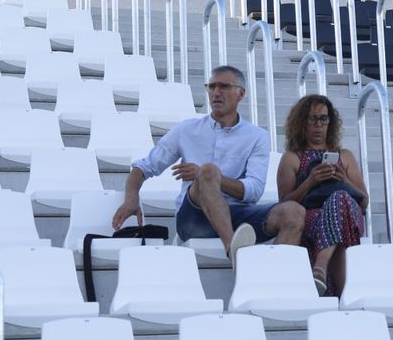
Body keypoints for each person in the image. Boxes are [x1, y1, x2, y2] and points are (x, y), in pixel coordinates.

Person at [112, 65, 304, 261]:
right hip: (195, 218)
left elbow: (254, 190)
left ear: (241, 93)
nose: (216, 93)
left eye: (223, 87)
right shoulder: (187, 130)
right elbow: (143, 167)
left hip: (239, 215)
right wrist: (131, 199)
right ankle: (234, 250)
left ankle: (276, 281)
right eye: (211, 87)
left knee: (294, 212)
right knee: (208, 171)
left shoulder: (257, 137)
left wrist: (213, 178)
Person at [277, 94, 369, 296]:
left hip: (348, 212)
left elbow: (363, 200)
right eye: (312, 119)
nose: (318, 125)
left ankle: (320, 267)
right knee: (340, 222)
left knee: (340, 199)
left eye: (323, 118)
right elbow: (284, 204)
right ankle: (346, 297)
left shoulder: (344, 156)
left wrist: (343, 179)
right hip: (313, 216)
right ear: (302, 122)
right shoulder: (292, 158)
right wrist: (311, 181)